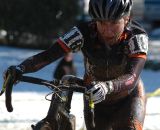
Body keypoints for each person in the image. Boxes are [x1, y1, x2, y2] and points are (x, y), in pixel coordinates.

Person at [4, 0, 148, 129]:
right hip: (94, 98)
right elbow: (48, 55)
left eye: (114, 23)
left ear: (126, 18)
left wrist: (107, 86)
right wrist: (20, 68)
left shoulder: (136, 36)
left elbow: (132, 76)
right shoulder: (83, 32)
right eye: (102, 23)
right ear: (94, 21)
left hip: (128, 98)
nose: (108, 31)